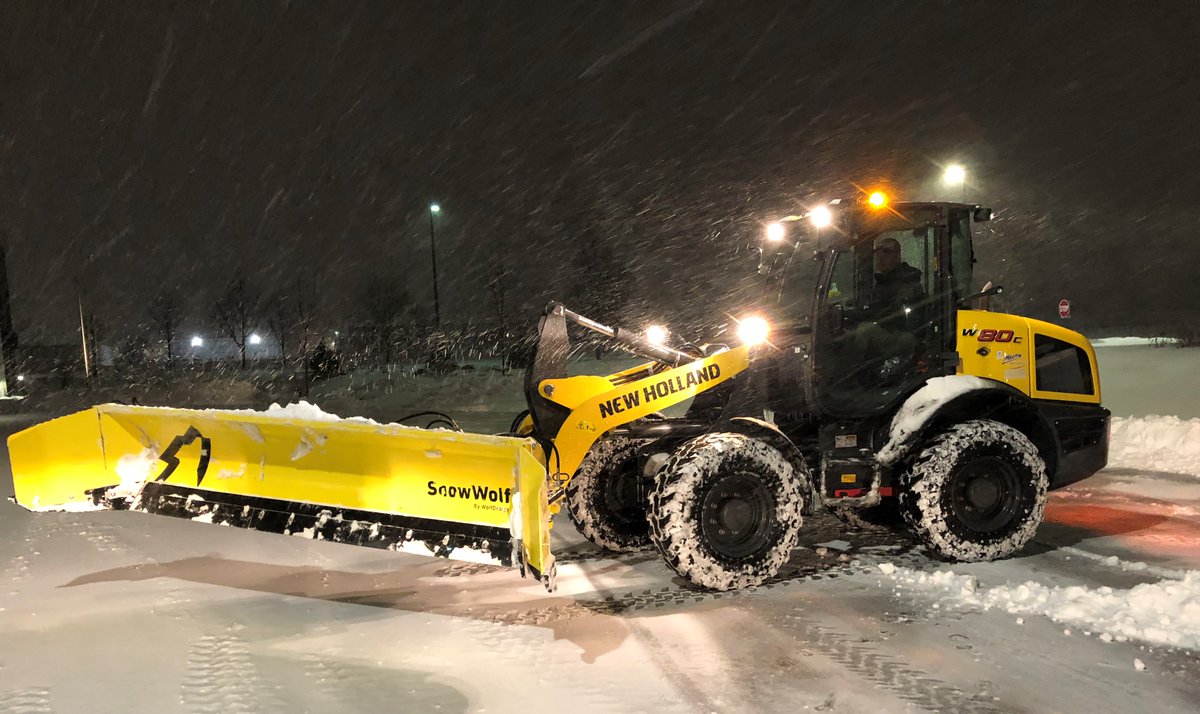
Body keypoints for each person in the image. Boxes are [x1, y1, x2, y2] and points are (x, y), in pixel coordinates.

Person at [851, 237, 926, 379]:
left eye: (886, 252)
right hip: (892, 330)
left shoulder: (906, 280)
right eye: (878, 252)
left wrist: (862, 314)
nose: (880, 257)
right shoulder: (884, 280)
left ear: (897, 256)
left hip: (907, 335)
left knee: (864, 331)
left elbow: (891, 313)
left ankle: (855, 377)